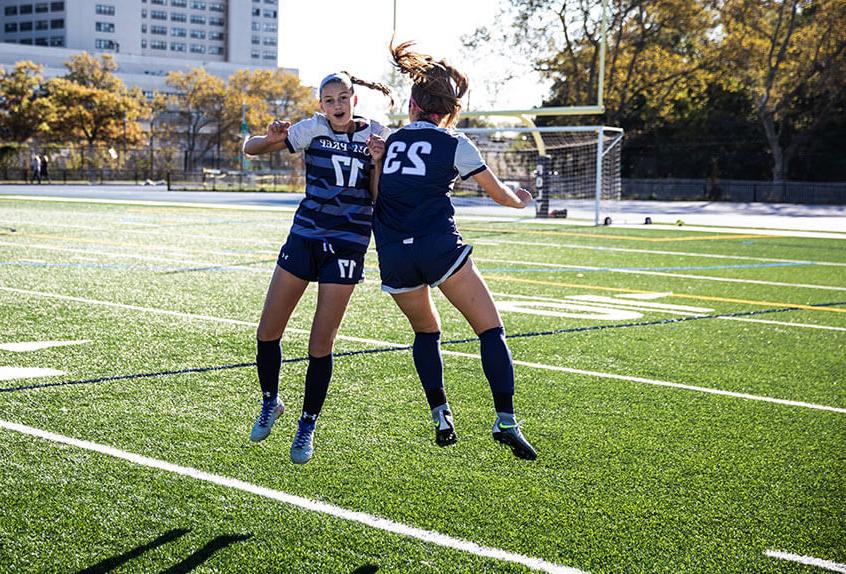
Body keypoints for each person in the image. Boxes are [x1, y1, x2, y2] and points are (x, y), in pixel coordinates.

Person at [367, 41, 538, 460]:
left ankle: (441, 414)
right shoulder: (455, 143)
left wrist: (376, 162)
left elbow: (377, 198)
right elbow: (498, 194)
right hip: (439, 247)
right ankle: (505, 421)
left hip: (394, 253)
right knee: (490, 330)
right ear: (449, 109)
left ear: (413, 103)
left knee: (426, 332)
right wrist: (521, 200)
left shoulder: (388, 142)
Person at [243, 71, 392, 464]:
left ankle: (307, 424)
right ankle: (271, 402)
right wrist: (271, 136)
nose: (337, 105)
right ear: (321, 104)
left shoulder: (377, 133)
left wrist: (377, 162)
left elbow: (378, 198)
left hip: (347, 244)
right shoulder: (312, 129)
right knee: (268, 331)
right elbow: (251, 148)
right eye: (329, 99)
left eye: (343, 97)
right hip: (305, 236)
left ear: (354, 100)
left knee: (319, 345)